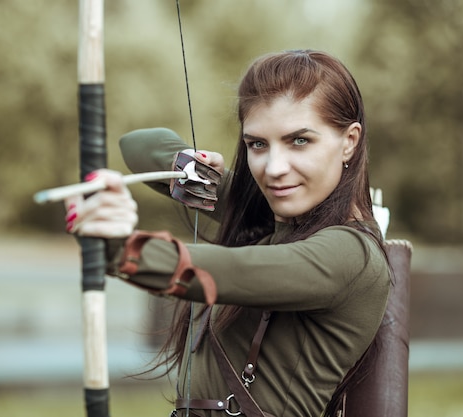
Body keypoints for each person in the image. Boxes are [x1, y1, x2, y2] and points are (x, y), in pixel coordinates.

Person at [65, 49, 391, 417]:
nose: (274, 168)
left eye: (299, 140)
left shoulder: (350, 254)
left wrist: (118, 247)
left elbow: (230, 270)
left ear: (349, 141)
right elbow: (138, 146)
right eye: (257, 144)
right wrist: (189, 166)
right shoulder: (265, 214)